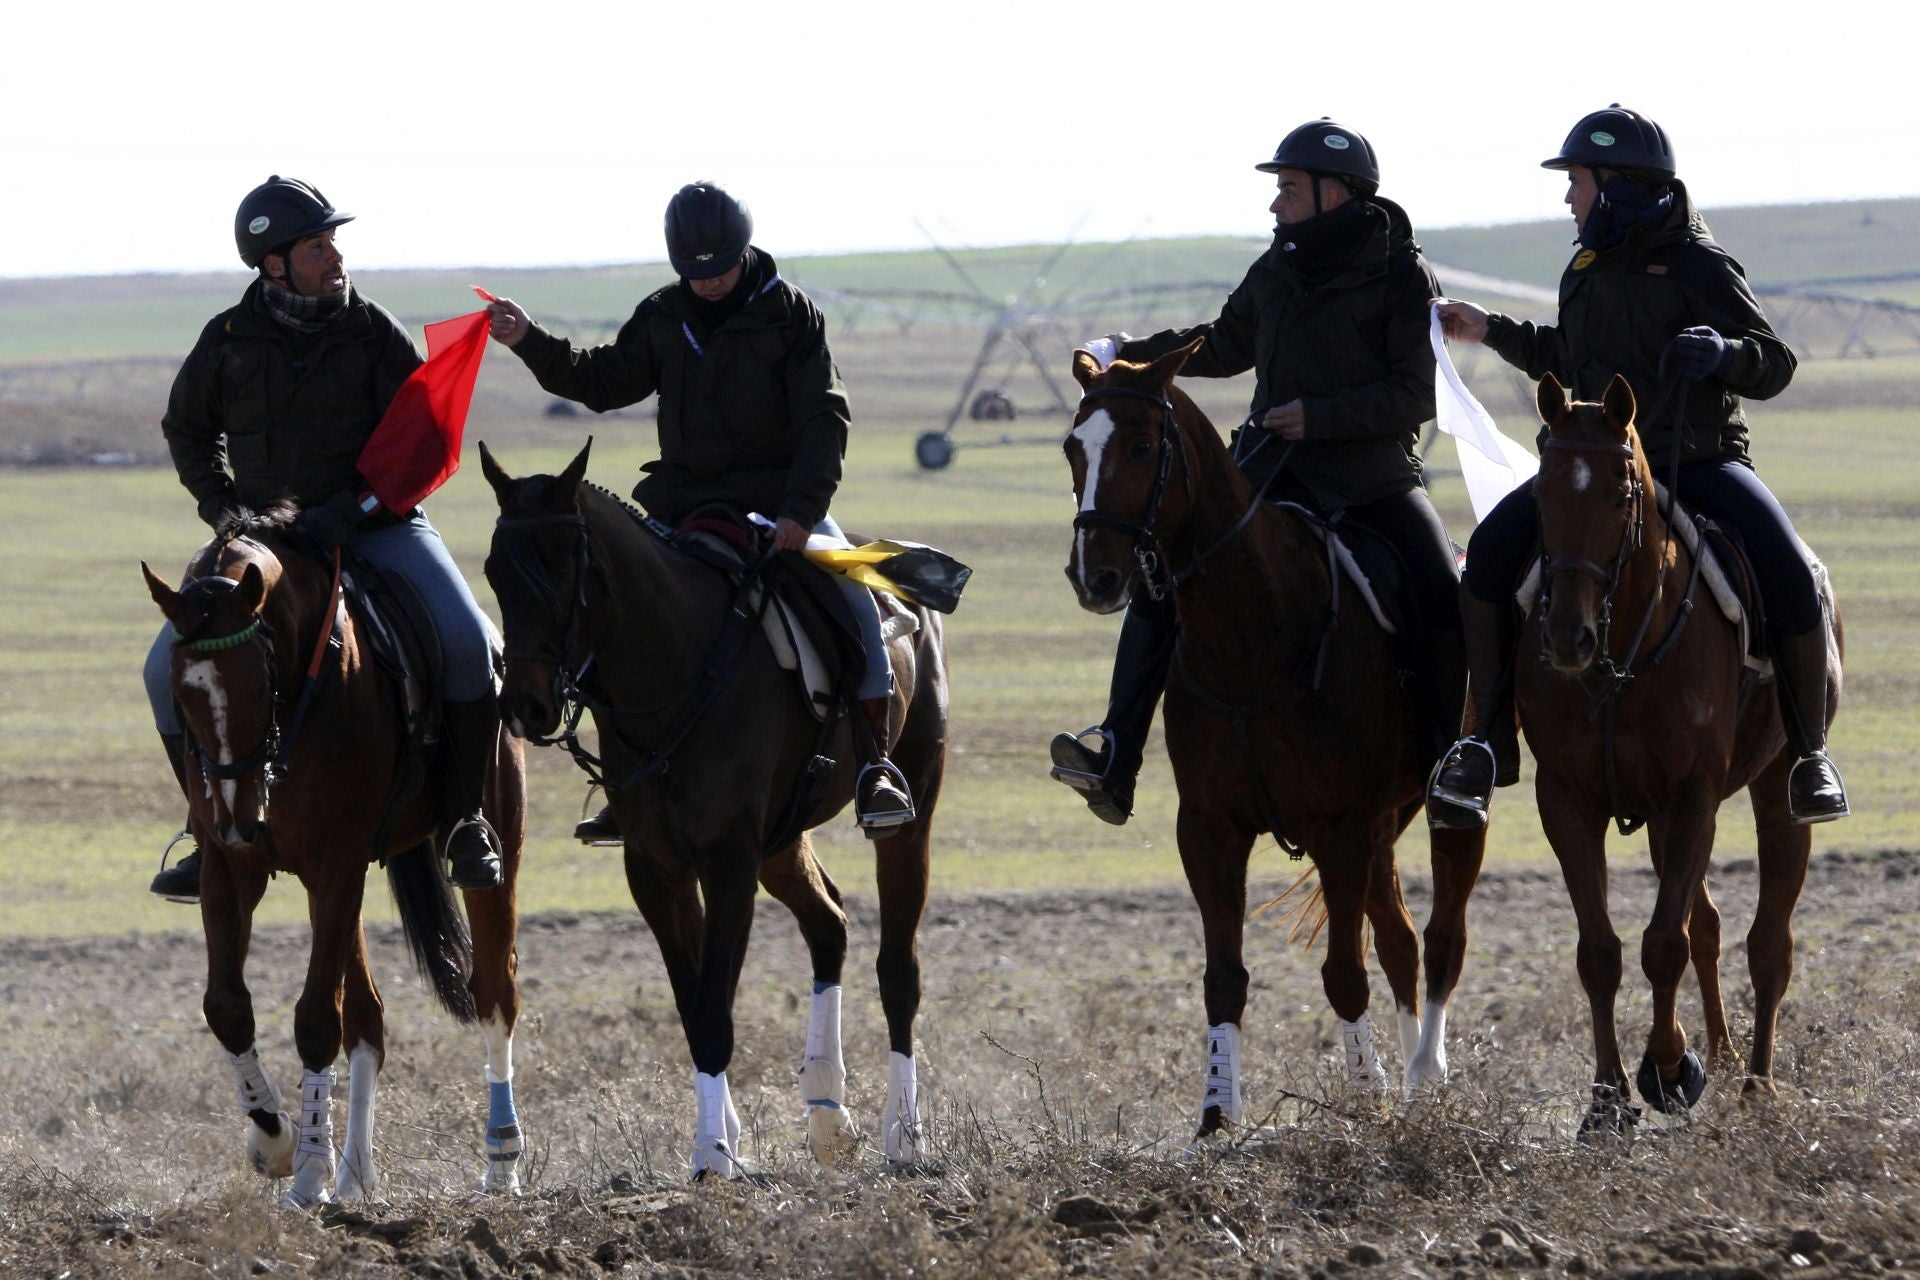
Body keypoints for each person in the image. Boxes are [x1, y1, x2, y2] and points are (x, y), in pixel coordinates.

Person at [1426, 104, 1847, 828]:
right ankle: (1486, 741)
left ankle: (1809, 756)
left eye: (1579, 182)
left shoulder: (1701, 264)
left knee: (1788, 568)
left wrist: (1724, 353)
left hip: (1699, 460)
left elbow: (1775, 362)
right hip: (1601, 465)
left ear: (1618, 186)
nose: (1568, 198)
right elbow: (1569, 356)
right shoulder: (1584, 267)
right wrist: (1490, 330)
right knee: (1491, 557)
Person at [1049, 120, 1464, 824]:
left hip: (1372, 479)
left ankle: (1452, 767)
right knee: (1162, 575)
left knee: (1443, 590)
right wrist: (1128, 350)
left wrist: (1320, 416)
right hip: (1268, 468)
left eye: (1289, 190)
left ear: (1336, 194)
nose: (1276, 205)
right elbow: (1222, 341)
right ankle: (1117, 752)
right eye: (1279, 191)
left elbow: (1419, 394)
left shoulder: (1402, 272)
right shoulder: (1276, 266)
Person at [483, 181, 913, 838]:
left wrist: (802, 512)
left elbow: (825, 418)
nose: (708, 285)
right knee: (610, 609)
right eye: (694, 274)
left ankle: (875, 767)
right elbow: (601, 380)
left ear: (743, 252)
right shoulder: (662, 315)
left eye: (719, 271)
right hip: (683, 509)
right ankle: (628, 783)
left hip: (780, 513)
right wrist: (528, 340)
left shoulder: (791, 316)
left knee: (853, 606)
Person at [146, 176, 506, 901]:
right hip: (265, 548)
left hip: (378, 526)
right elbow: (186, 429)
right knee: (162, 671)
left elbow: (425, 439)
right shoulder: (226, 340)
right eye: (316, 244)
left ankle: (466, 820)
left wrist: (359, 504)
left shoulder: (373, 330)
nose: (333, 254)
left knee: (472, 643)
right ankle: (206, 824)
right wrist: (222, 510)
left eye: (333, 241)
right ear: (273, 262)